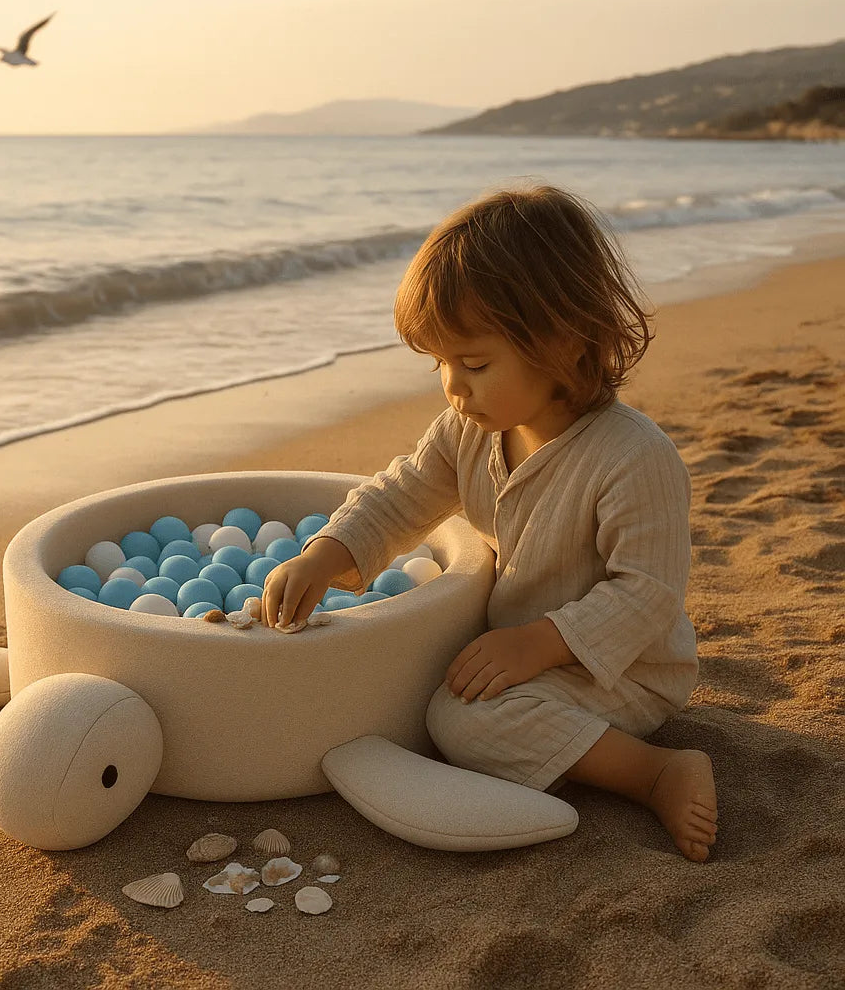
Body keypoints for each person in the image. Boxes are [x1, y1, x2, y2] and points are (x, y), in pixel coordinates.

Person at [261, 183, 719, 862]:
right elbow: (400, 495)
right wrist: (326, 554)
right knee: (434, 682)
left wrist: (538, 643)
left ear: (563, 343)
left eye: (474, 363)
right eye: (441, 363)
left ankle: (654, 771)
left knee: (460, 721)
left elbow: (646, 596)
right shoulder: (469, 430)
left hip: (622, 667)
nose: (453, 384)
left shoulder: (633, 457)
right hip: (527, 647)